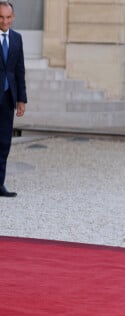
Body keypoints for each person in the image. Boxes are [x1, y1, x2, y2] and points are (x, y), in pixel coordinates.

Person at [0, 1, 26, 198]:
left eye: (8, 17)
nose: (4, 21)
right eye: (1, 17)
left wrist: (21, 100)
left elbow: (19, 71)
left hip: (8, 99)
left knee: (4, 143)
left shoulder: (17, 39)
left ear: (13, 17)